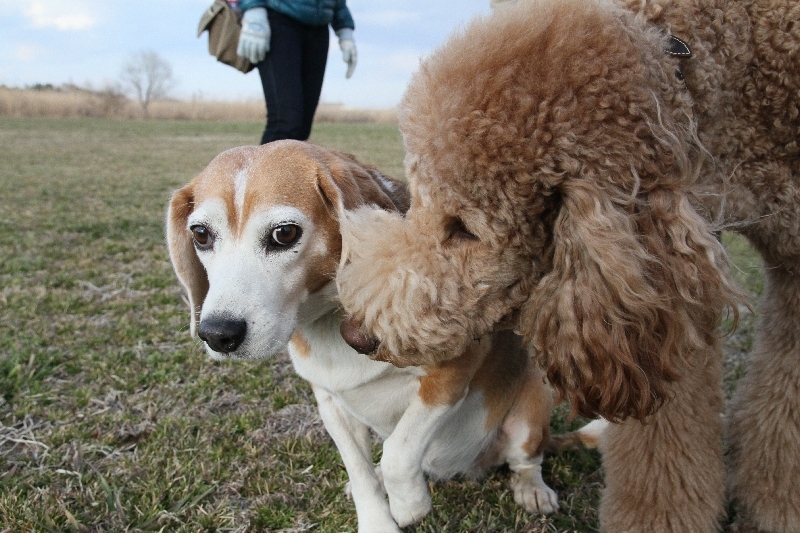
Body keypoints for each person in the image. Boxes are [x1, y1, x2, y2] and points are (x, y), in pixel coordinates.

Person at [236, 0, 357, 144]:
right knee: (285, 122)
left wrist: (345, 31)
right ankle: (268, 160)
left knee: (303, 126)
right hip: (279, 19)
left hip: (319, 27)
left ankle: (289, 159)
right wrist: (253, 11)